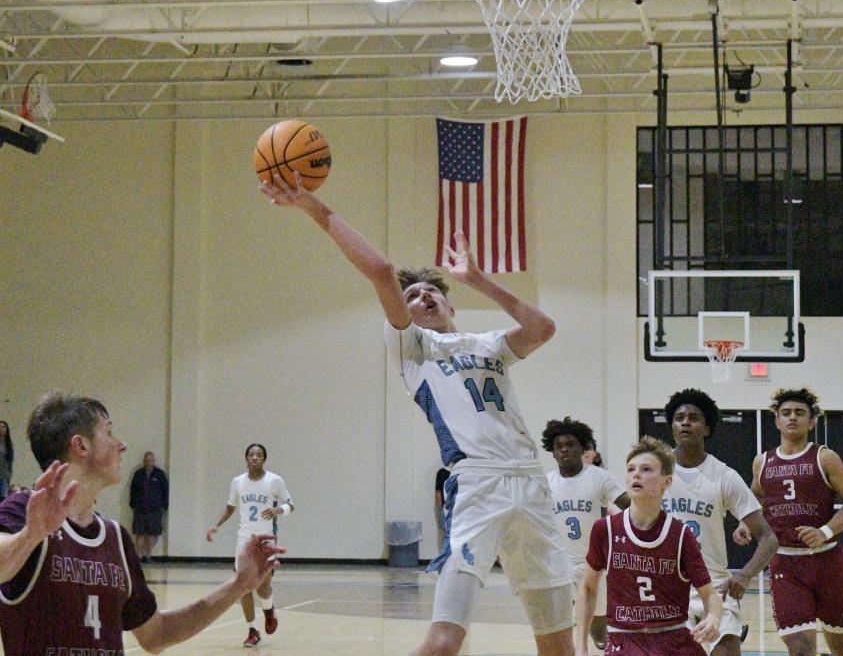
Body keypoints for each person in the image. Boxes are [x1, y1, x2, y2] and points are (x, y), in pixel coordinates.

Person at [261, 172, 575, 656]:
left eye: (432, 291)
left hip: (532, 484)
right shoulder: (414, 348)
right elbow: (382, 270)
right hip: (479, 487)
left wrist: (479, 281)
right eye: (413, 296)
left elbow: (544, 327)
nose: (423, 297)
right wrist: (314, 207)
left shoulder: (486, 343)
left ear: (450, 303)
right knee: (446, 640)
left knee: (558, 646)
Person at [0, 392, 282, 654]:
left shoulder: (115, 538)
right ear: (81, 445)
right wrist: (31, 534)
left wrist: (239, 584)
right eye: (109, 432)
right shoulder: (21, 512)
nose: (121, 445)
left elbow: (156, 635)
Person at [738, 388, 843, 656]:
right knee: (801, 647)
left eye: (799, 413)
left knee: (839, 643)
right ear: (777, 421)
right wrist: (745, 524)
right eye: (786, 413)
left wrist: (825, 531)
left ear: (812, 421)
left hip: (827, 562)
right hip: (785, 562)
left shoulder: (825, 457)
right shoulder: (762, 462)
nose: (792, 417)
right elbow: (754, 501)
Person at [575, 436, 723, 656]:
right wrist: (580, 647)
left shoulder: (680, 535)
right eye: (631, 469)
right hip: (624, 638)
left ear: (667, 482)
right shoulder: (604, 529)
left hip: (672, 637)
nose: (636, 474)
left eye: (646, 469)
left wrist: (713, 617)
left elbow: (710, 594)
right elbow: (587, 589)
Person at [662, 389, 779, 656]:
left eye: (694, 417)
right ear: (672, 426)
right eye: (679, 418)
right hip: (666, 585)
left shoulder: (724, 476)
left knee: (727, 650)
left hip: (712, 584)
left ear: (707, 428)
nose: (686, 422)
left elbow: (769, 538)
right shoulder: (657, 471)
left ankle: (732, 630)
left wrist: (745, 574)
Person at [542, 417, 629, 651]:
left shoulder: (598, 476)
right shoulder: (546, 483)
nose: (565, 449)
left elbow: (629, 505)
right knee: (560, 626)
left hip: (594, 564)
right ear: (552, 451)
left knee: (598, 627)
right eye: (559, 445)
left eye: (570, 444)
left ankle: (601, 638)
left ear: (583, 448)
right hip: (559, 564)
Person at [207, 443, 294, 647]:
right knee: (243, 587)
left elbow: (291, 504)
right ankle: (252, 630)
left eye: (259, 455)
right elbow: (230, 508)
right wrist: (216, 525)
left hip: (266, 540)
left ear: (264, 459)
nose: (255, 457)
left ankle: (269, 608)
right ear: (246, 458)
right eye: (251, 454)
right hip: (244, 539)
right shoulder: (238, 482)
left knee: (263, 587)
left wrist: (278, 511)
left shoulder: (274, 481)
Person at [129, 451, 169, 563]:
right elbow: (132, 490)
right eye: (146, 460)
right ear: (143, 461)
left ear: (154, 461)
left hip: (155, 510)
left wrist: (164, 507)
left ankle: (148, 556)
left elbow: (165, 491)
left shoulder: (160, 475)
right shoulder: (138, 474)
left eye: (150, 460)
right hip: (140, 509)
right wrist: (133, 504)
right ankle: (138, 556)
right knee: (139, 534)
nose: (148, 462)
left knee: (152, 534)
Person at [435, 466, 451, 550]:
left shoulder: (460, 471)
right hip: (445, 507)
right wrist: (441, 509)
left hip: (458, 508)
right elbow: (438, 492)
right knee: (445, 533)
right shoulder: (442, 473)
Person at [0, 420, 13, 499]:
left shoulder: (9, 446)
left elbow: (10, 462)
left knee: (3, 497)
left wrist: (9, 476)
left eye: (3, 427)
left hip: (4, 475)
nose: (1, 429)